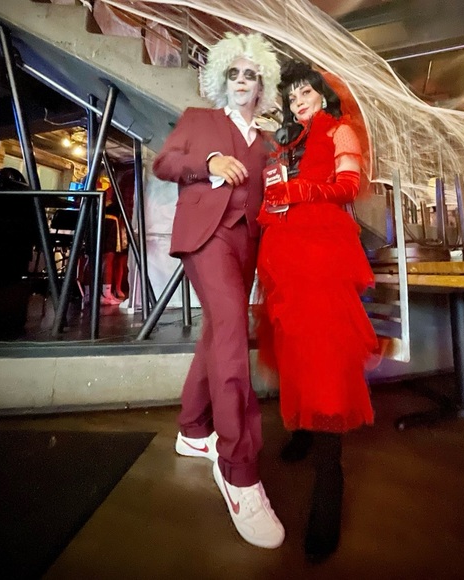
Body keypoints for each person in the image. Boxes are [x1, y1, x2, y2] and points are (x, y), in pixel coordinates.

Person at [152, 33, 283, 549]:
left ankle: (192, 430)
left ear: (262, 84)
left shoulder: (269, 141)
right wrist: (206, 164)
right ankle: (238, 468)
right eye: (234, 72)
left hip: (247, 245)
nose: (242, 81)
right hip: (206, 236)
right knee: (230, 326)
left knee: (217, 330)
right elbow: (164, 163)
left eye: (251, 74)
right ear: (222, 78)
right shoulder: (198, 119)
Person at [256, 60, 380, 561]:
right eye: (291, 96)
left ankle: (330, 480)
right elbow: (274, 195)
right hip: (283, 253)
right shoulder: (285, 143)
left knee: (325, 352)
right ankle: (303, 429)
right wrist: (274, 197)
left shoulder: (338, 131)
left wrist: (303, 190)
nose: (298, 101)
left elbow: (348, 186)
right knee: (293, 345)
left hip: (323, 251)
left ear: (323, 95)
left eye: (305, 92)